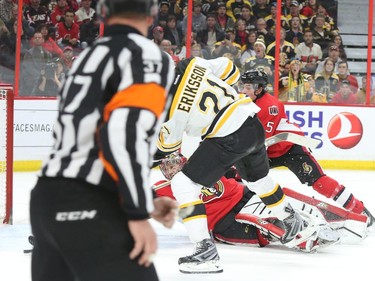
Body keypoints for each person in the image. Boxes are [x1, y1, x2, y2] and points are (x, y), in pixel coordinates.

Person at [29, 1, 177, 281]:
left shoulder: (88, 56)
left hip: (46, 202)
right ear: (152, 14)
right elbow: (122, 134)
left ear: (104, 13)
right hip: (90, 203)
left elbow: (89, 138)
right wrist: (137, 212)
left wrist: (147, 199)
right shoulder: (146, 54)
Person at [155, 57, 318, 274]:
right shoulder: (192, 64)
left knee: (183, 184)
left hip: (227, 136)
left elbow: (168, 148)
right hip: (251, 120)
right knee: (258, 181)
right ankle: (293, 221)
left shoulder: (168, 107)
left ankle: (205, 251)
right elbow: (230, 69)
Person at [239, 69, 374, 227]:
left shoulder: (270, 106)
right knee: (240, 173)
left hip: (290, 148)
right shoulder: (244, 103)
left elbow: (261, 142)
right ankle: (239, 206)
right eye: (243, 86)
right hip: (268, 151)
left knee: (319, 182)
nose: (243, 91)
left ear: (259, 89)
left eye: (248, 87)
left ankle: (360, 210)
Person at [154, 152, 368, 250]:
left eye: (173, 164)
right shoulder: (163, 189)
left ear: (183, 162)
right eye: (166, 167)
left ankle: (346, 219)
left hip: (243, 195)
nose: (170, 170)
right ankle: (312, 239)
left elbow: (237, 175)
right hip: (224, 224)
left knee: (281, 198)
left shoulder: (204, 166)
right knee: (264, 227)